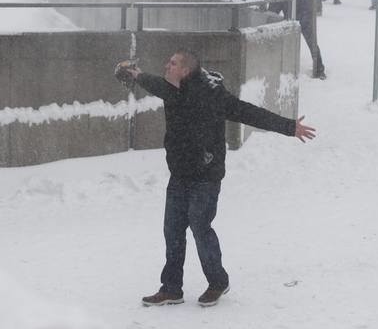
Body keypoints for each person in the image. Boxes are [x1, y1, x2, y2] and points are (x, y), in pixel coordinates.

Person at [119, 50, 316, 307]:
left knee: (200, 228)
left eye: (173, 63)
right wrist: (135, 74)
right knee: (172, 231)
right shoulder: (170, 88)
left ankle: (218, 282)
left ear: (186, 71)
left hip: (205, 176)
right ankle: (171, 288)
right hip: (179, 175)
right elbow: (152, 81)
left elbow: (248, 112)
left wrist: (289, 127)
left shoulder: (211, 95)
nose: (167, 66)